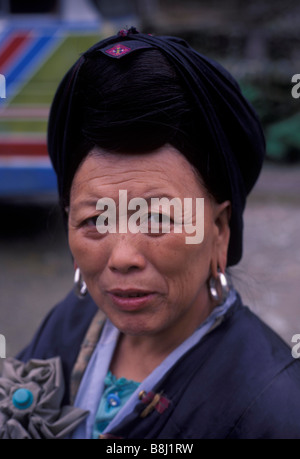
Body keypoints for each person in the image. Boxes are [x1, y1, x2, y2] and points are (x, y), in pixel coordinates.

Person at [12, 27, 300, 438]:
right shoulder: (69, 324)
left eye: (158, 219)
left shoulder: (273, 408)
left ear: (219, 230)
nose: (122, 257)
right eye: (96, 220)